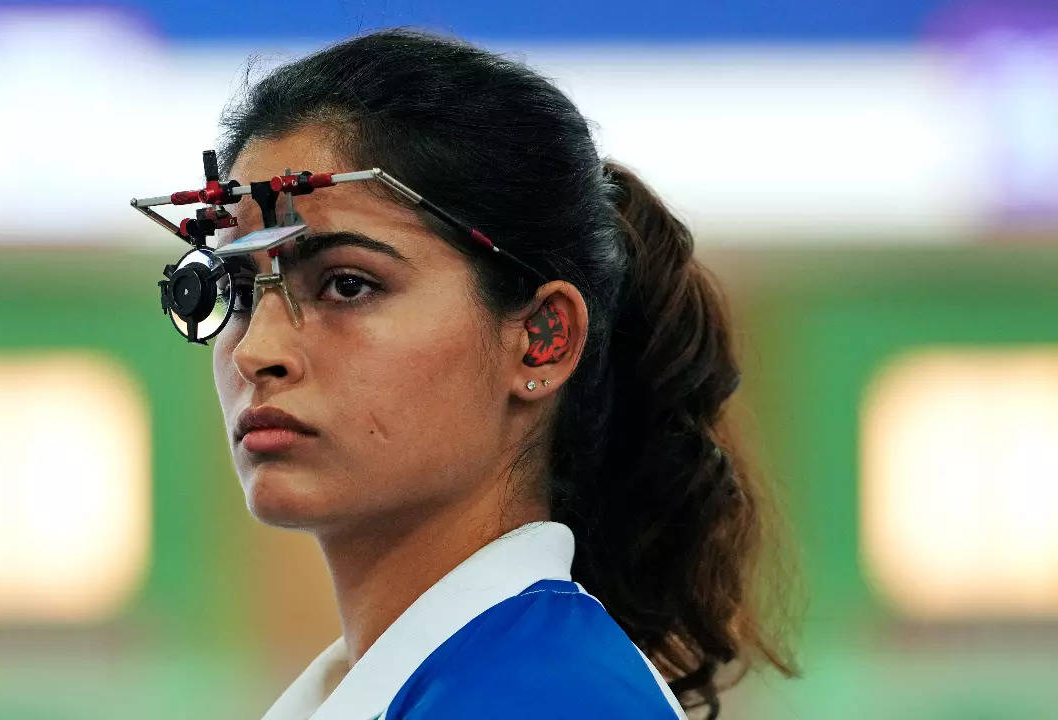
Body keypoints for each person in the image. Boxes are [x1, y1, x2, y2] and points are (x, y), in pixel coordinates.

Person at [207, 29, 798, 719]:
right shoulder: (416, 683)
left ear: (542, 341)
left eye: (346, 285)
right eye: (238, 292)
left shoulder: (547, 698)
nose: (255, 351)